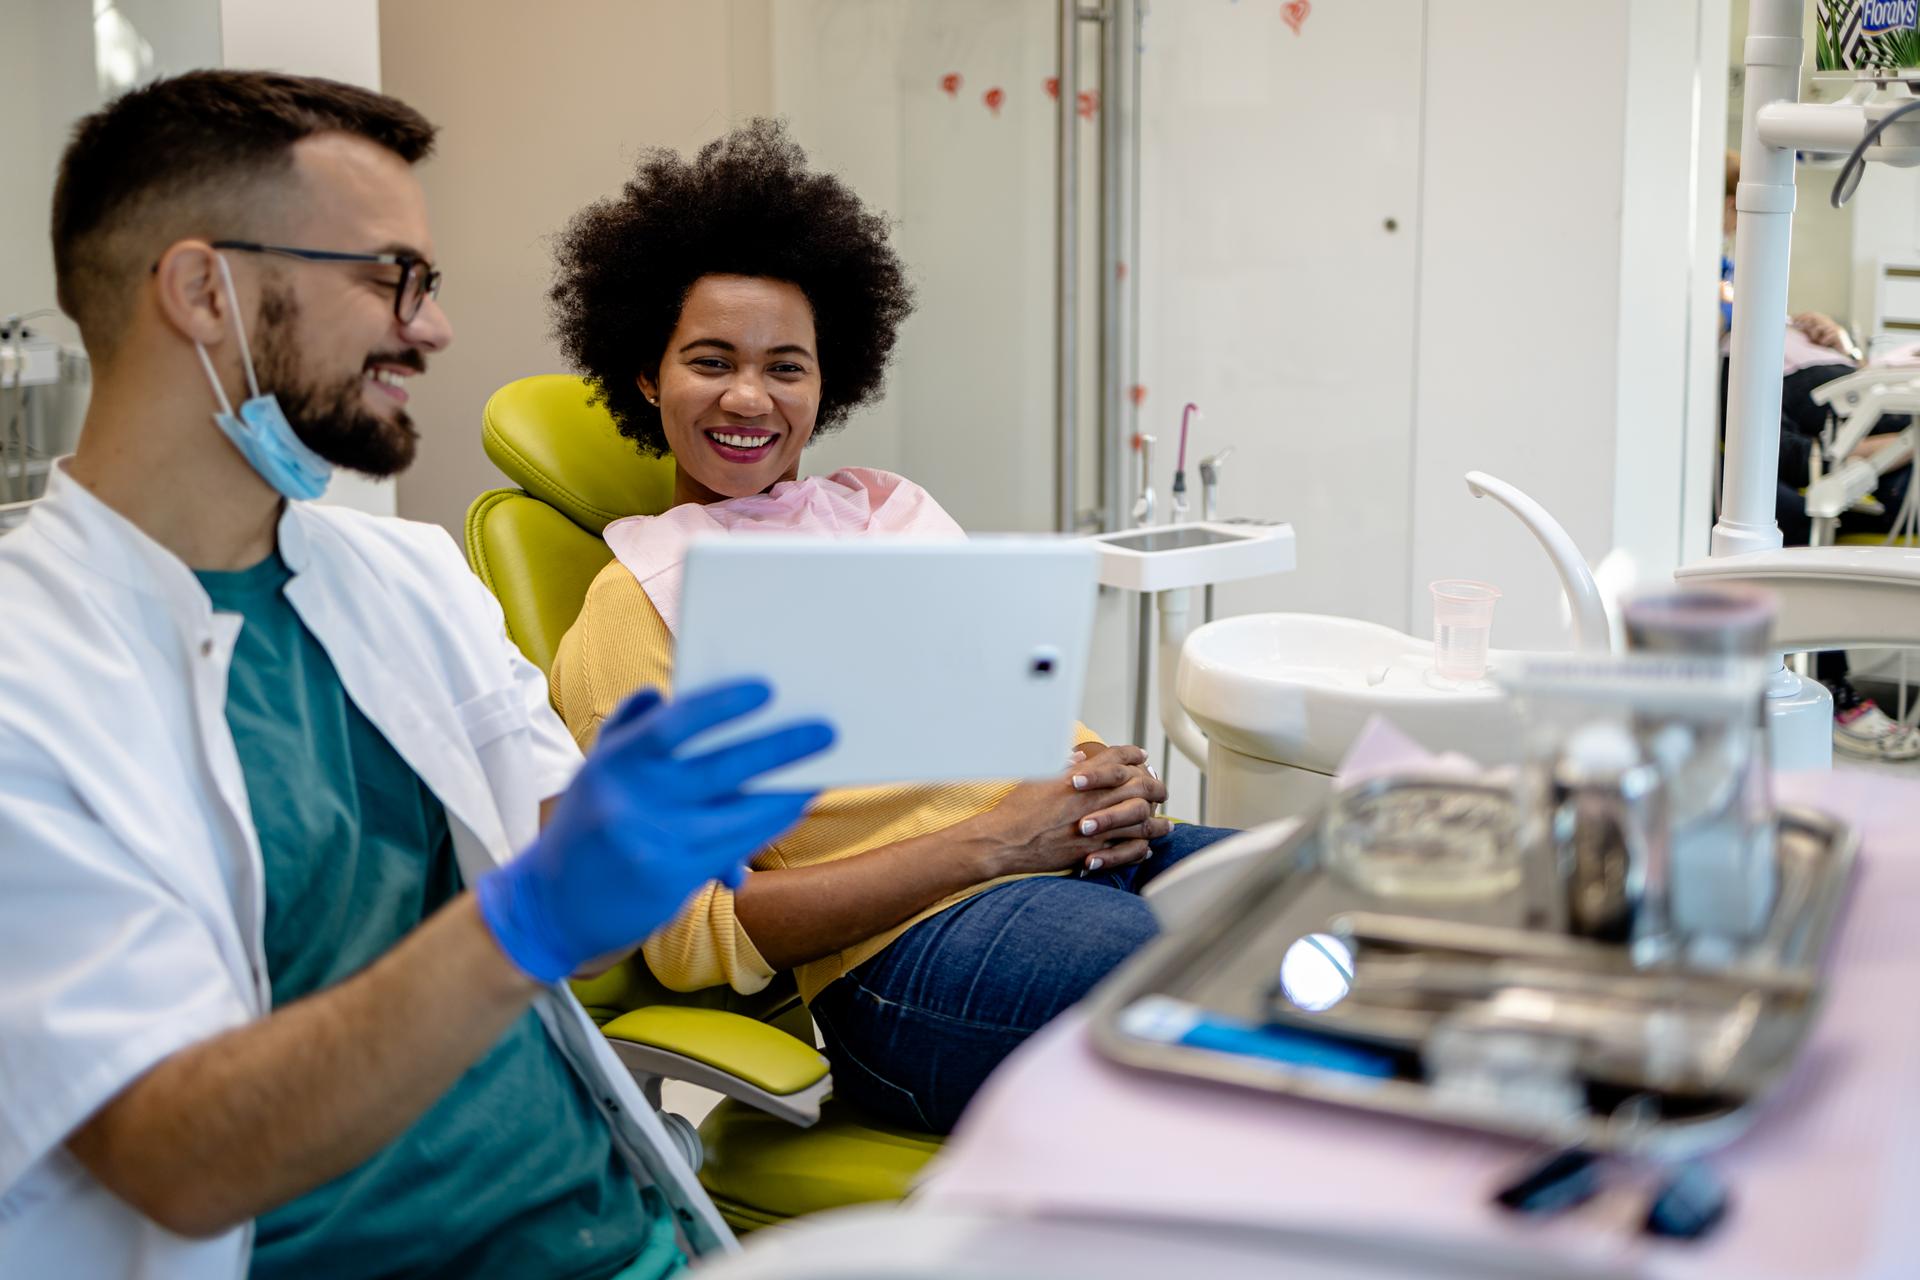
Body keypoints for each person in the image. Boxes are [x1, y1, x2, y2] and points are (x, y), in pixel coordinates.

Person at [0, 72, 833, 1279]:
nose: (431, 327)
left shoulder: (411, 578)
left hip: (622, 1232)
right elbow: (175, 1153)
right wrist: (529, 917)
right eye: (388, 277)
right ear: (202, 291)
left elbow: (593, 901)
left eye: (425, 284)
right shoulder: (26, 677)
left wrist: (672, 825)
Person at [547, 120, 1239, 1136]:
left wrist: (1100, 773)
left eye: (787, 365)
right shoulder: (635, 599)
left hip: (1070, 859)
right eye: (710, 360)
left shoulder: (885, 509)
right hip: (900, 960)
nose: (750, 395)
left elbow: (1018, 707)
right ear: (647, 375)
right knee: (1159, 969)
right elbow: (693, 937)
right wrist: (997, 843)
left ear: (830, 383)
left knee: (1321, 905)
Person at [1719, 150, 1919, 761]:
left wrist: (1842, 342)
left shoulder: (1751, 288)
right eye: (1733, 202)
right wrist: (1844, 448)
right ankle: (1833, 682)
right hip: (1819, 411)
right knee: (1809, 508)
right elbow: (1757, 425)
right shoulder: (1720, 308)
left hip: (1854, 387)